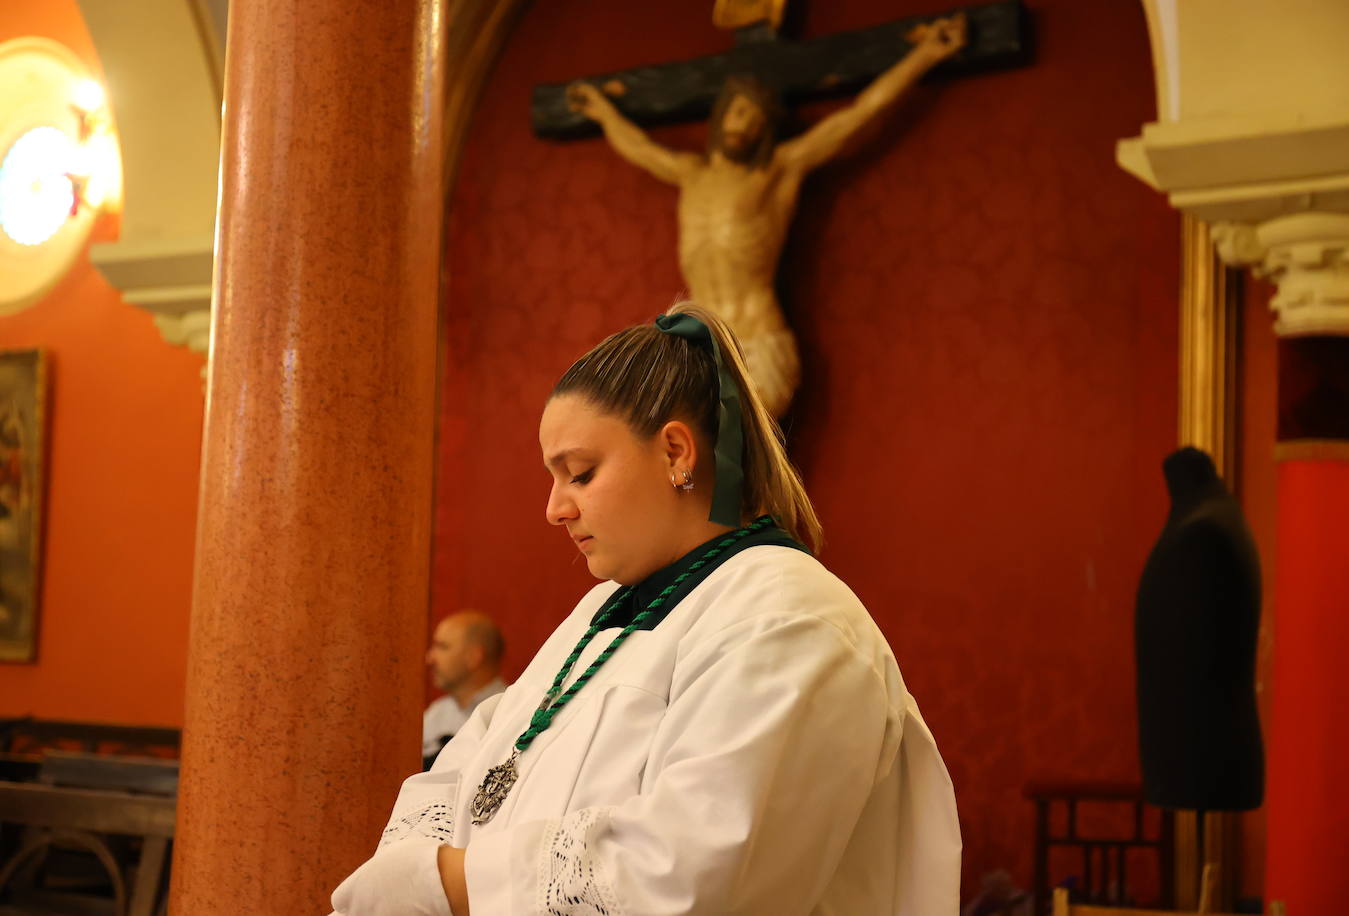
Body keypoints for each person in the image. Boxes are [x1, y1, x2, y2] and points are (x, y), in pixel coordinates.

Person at [328, 302, 960, 915]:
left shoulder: (790, 617)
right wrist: (413, 874)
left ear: (675, 453)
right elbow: (472, 763)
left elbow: (693, 870)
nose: (555, 508)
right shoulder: (600, 611)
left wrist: (447, 883)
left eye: (579, 473)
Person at [566, 14, 967, 417]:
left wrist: (926, 54)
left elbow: (857, 115)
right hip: (698, 344)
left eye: (758, 121)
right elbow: (637, 146)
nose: (747, 124)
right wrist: (602, 112)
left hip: (758, 338)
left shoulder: (777, 170)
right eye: (741, 112)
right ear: (722, 115)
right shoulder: (690, 173)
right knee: (687, 465)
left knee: (742, 461)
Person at [423, 612, 508, 771]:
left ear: (473, 657)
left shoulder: (508, 711)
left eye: (443, 647)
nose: (429, 659)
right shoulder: (437, 713)